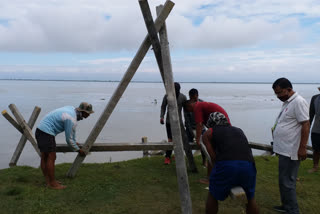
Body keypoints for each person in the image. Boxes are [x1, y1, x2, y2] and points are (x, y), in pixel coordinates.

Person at [203, 112, 259, 214]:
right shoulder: (239, 130)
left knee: (212, 193)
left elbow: (213, 158)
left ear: (211, 124)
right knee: (250, 198)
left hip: (227, 165)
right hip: (249, 165)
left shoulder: (209, 132)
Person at [271, 78, 309, 214]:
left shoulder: (299, 102)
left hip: (291, 150)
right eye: (276, 93)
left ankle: (293, 210)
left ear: (289, 89)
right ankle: (286, 206)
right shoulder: (288, 102)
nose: (278, 96)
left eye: (280, 92)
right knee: (283, 180)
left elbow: (305, 124)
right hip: (283, 149)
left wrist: (303, 147)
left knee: (288, 182)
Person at [35, 102, 94, 189]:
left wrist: (74, 142)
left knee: (45, 156)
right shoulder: (71, 118)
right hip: (47, 133)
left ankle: (48, 181)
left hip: (40, 130)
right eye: (88, 113)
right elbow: (69, 140)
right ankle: (53, 184)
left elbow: (71, 132)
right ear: (84, 112)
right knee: (51, 157)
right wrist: (78, 150)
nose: (89, 115)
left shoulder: (71, 109)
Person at [160, 82, 188, 164]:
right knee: (170, 140)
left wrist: (187, 121)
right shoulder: (167, 96)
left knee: (180, 139)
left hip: (179, 122)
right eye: (174, 90)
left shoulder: (183, 97)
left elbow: (186, 111)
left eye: (177, 90)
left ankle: (177, 154)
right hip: (169, 122)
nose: (175, 92)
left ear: (179, 90)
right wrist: (161, 117)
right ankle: (167, 157)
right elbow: (163, 107)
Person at [184, 88, 206, 165]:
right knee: (187, 144)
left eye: (195, 97)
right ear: (189, 96)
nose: (193, 99)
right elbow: (187, 120)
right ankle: (189, 160)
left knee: (203, 144)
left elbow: (204, 117)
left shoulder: (202, 102)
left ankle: (204, 161)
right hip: (190, 128)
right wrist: (191, 131)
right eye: (191, 98)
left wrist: (201, 128)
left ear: (197, 96)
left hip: (201, 127)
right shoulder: (186, 104)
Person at [309, 86, 320, 173]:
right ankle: (315, 166)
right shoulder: (315, 98)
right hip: (316, 129)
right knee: (316, 149)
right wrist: (307, 128)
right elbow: (311, 114)